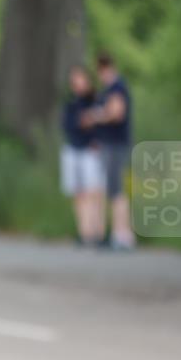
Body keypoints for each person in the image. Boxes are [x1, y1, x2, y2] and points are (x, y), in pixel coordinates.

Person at [88, 53, 135, 250]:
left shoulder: (117, 87)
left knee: (117, 191)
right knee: (113, 190)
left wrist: (97, 116)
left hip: (116, 145)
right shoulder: (109, 89)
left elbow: (116, 112)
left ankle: (122, 236)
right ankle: (117, 233)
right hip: (109, 144)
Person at [60, 65, 105, 246]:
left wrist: (91, 126)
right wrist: (83, 122)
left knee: (94, 191)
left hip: (91, 151)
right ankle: (84, 232)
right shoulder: (71, 104)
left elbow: (99, 125)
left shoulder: (97, 101)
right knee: (78, 193)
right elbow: (69, 126)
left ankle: (98, 232)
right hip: (73, 150)